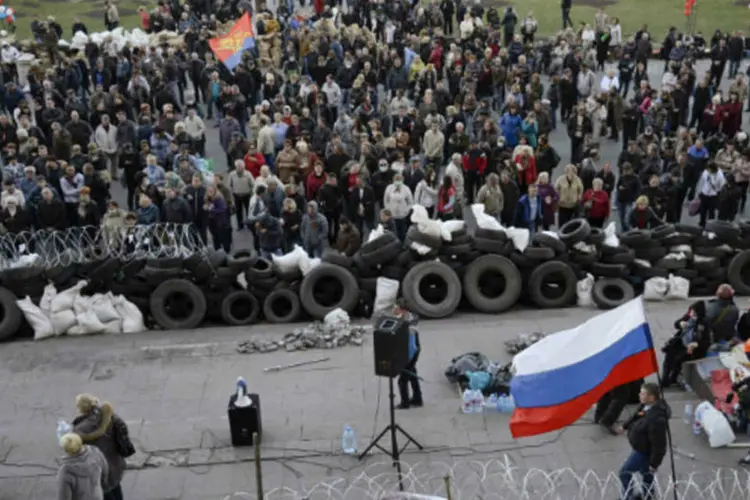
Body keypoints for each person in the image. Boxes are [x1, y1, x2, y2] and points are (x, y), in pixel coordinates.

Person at [71, 394, 132, 500]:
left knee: (106, 493)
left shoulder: (79, 430)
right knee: (116, 489)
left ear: (81, 409)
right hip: (115, 463)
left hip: (99, 471)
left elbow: (73, 449)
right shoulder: (108, 415)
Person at [615, 383, 670, 500]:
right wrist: (625, 426)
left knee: (624, 473)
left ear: (651, 397)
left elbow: (659, 444)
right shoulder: (646, 406)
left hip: (643, 451)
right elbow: (636, 416)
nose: (639, 395)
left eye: (643, 393)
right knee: (647, 475)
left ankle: (628, 496)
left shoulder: (656, 419)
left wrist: (655, 463)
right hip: (641, 447)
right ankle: (648, 495)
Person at [661, 301, 710, 389]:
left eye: (694, 313)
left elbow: (707, 341)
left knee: (678, 358)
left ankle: (673, 377)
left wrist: (697, 344)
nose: (691, 314)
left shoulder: (703, 324)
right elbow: (676, 324)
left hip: (693, 348)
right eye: (691, 312)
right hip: (681, 342)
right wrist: (680, 324)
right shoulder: (688, 317)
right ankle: (665, 379)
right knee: (669, 356)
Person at [57, 432, 109, 500]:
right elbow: (105, 472)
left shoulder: (66, 471)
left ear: (67, 450)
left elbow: (64, 497)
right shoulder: (95, 452)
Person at [393, 299, 423, 410]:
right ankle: (417, 398)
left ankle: (404, 403)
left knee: (403, 380)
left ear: (403, 311)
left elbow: (411, 347)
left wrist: (405, 361)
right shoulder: (409, 318)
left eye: (396, 308)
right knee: (412, 374)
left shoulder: (409, 327)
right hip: (413, 350)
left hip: (410, 353)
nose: (394, 310)